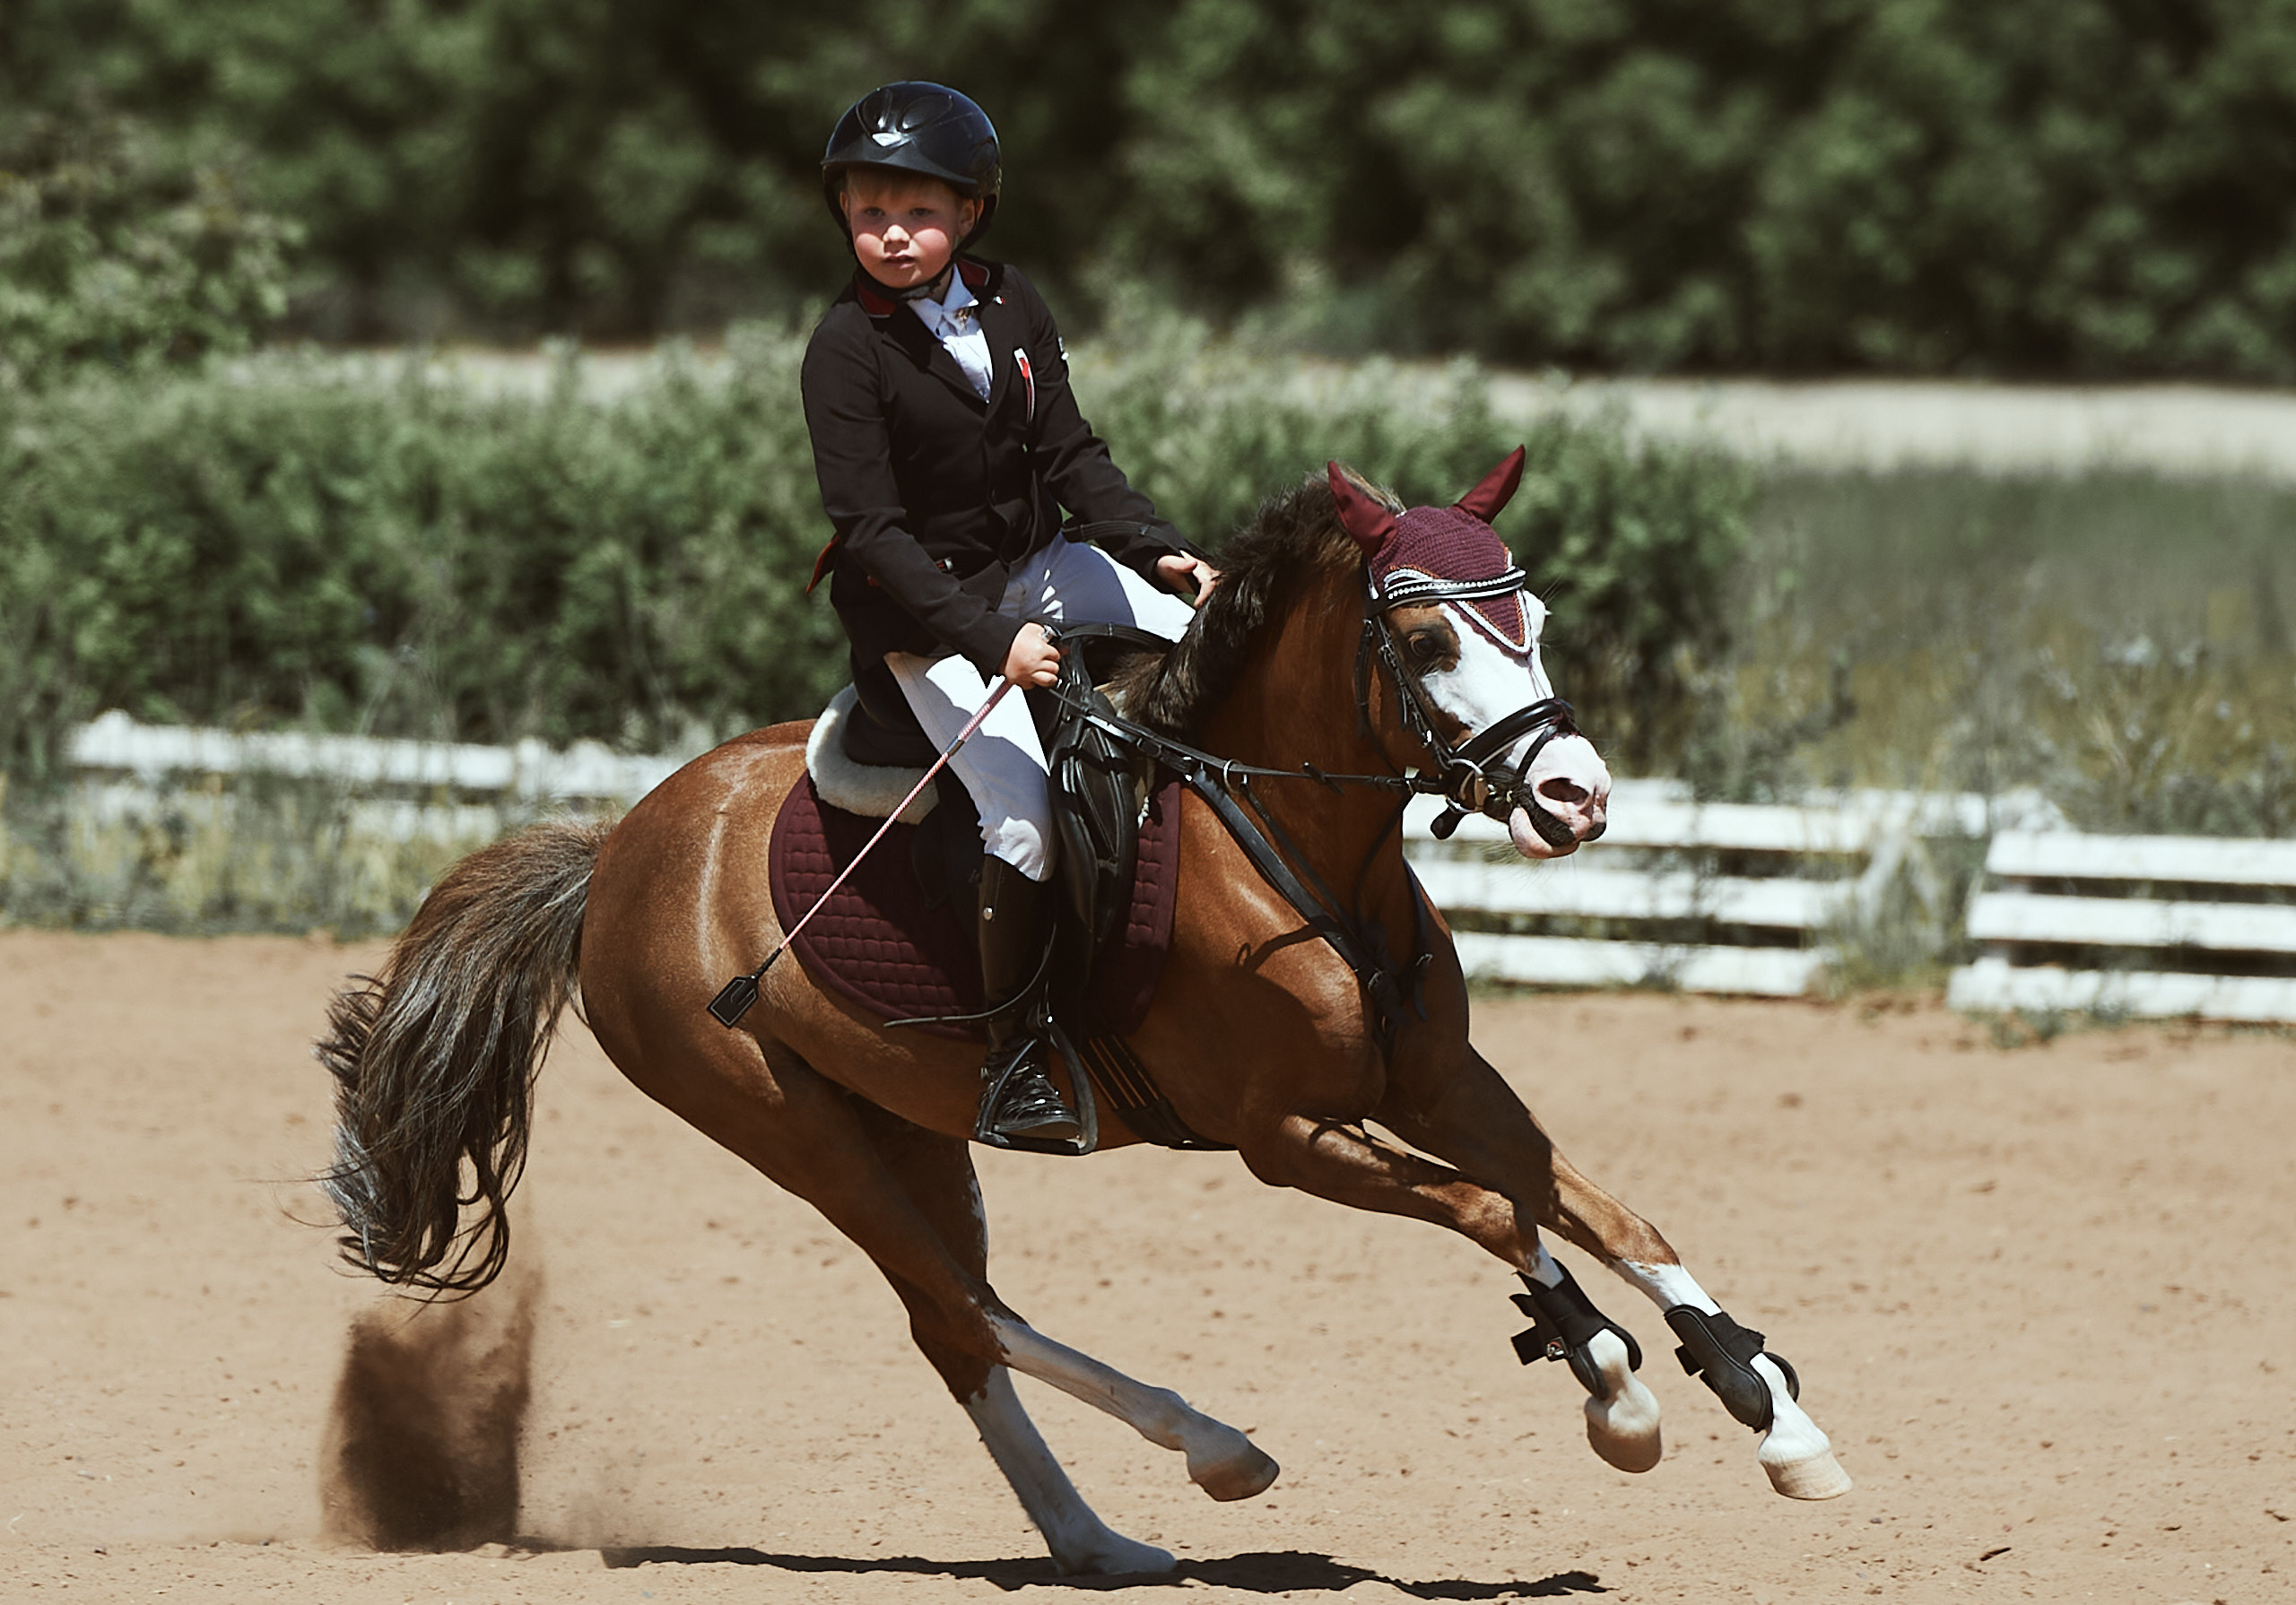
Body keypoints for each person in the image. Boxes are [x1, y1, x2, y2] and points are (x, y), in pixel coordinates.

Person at [801, 82, 1217, 1147]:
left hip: (1042, 560)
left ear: (972, 211)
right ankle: (1017, 1054)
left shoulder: (1011, 300)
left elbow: (1071, 452)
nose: (891, 233)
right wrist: (992, 641)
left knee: (1221, 654)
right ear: (844, 213)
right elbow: (872, 532)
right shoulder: (844, 348)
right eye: (867, 212)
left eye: (917, 212)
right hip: (925, 611)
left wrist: (1155, 548)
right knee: (1022, 815)